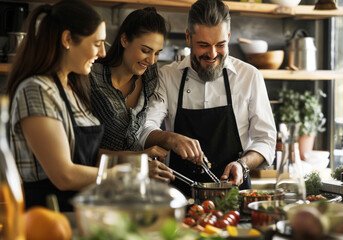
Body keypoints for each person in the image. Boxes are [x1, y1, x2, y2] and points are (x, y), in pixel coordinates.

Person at [141, 0, 276, 197]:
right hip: (180, 197)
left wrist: (243, 164)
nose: (212, 54)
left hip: (235, 198)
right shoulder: (167, 76)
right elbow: (144, 129)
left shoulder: (249, 76)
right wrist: (170, 138)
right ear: (188, 37)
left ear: (228, 37)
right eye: (203, 45)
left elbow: (266, 140)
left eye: (220, 45)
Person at [7, 0, 106, 211]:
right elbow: (64, 176)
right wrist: (126, 176)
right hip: (49, 215)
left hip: (79, 213)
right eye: (97, 43)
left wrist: (137, 162)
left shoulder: (72, 88)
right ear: (68, 39)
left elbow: (86, 158)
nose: (103, 53)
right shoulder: (36, 90)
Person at [89, 8, 178, 183]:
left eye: (157, 53)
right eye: (145, 50)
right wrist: (138, 159)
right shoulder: (91, 77)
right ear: (124, 40)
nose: (151, 60)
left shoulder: (150, 77)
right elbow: (81, 152)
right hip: (97, 185)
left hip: (136, 185)